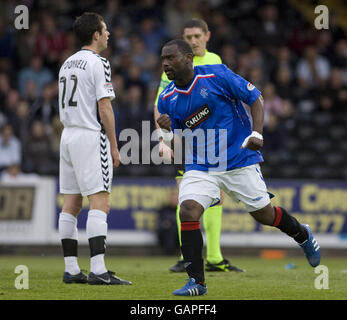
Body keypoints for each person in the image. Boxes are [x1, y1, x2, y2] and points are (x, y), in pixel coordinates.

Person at [157, 39, 321, 296]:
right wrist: (167, 134)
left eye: (171, 57)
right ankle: (197, 283)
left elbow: (256, 98)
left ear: (188, 58)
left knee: (263, 214)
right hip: (201, 165)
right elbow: (180, 145)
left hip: (238, 158)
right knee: (187, 211)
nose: (166, 63)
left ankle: (302, 234)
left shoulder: (217, 75)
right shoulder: (167, 100)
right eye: (163, 58)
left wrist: (257, 133)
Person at [154, 18, 243, 273]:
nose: (192, 41)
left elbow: (230, 101)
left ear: (207, 36)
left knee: (216, 198)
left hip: (215, 142)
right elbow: (160, 106)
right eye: (188, 37)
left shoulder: (215, 62)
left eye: (196, 36)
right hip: (184, 141)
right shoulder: (171, 66)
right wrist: (163, 139)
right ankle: (187, 257)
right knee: (185, 196)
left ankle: (214, 257)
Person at [58, 12, 131, 285]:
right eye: (105, 29)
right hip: (89, 135)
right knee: (100, 202)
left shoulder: (66, 63)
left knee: (71, 204)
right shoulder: (99, 62)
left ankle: (71, 269)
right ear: (96, 34)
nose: (109, 33)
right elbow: (104, 107)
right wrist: (113, 145)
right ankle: (99, 270)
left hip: (67, 136)